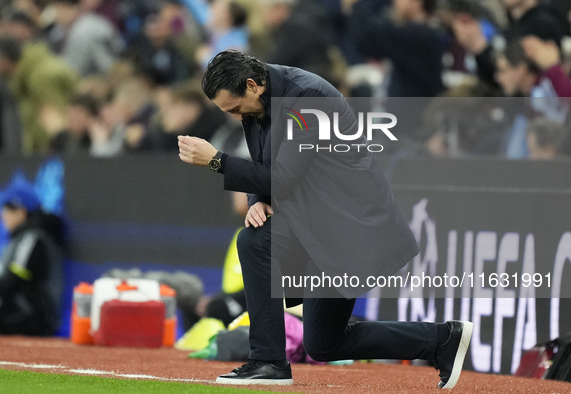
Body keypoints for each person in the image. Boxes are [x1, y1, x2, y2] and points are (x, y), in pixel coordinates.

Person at [177, 50, 473, 389]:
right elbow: (265, 162)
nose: (235, 117)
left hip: (350, 226)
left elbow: (283, 176)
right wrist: (258, 200)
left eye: (235, 108)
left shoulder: (308, 100)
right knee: (324, 342)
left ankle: (268, 361)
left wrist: (217, 161)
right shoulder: (258, 99)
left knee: (255, 242)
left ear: (252, 85)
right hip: (317, 222)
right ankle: (442, 340)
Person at [0, 181, 65, 336]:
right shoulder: (19, 239)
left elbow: (14, 280)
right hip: (18, 309)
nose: (2, 215)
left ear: (21, 211)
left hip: (34, 316)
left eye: (6, 210)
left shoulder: (33, 238)